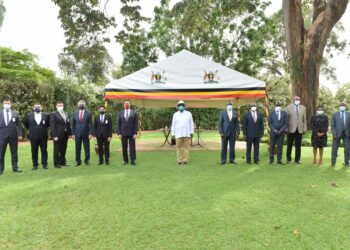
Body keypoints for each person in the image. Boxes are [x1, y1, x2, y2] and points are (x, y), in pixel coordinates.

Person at [24, 103, 50, 170]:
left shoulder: (46, 115)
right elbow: (26, 124)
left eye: (39, 107)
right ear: (33, 108)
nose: (37, 108)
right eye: (36, 107)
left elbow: (48, 124)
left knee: (44, 150)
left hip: (43, 136)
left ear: (41, 108)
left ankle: (45, 164)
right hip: (33, 136)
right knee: (34, 151)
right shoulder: (29, 115)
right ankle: (35, 165)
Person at [0, 98, 23, 174]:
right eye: (5, 103)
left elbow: (19, 125)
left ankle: (15, 167)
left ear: (10, 104)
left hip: (13, 136)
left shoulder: (15, 113)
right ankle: (1, 169)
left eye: (8, 103)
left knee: (14, 152)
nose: (7, 105)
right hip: (2, 136)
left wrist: (20, 134)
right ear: (3, 104)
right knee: (1, 153)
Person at [171, 100, 194, 164]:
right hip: (178, 134)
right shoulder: (175, 114)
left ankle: (185, 160)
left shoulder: (189, 114)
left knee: (186, 148)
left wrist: (191, 132)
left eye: (182, 105)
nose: (181, 106)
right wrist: (173, 134)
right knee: (178, 148)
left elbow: (191, 124)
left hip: (187, 134)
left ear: (184, 106)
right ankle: (179, 160)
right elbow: (173, 125)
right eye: (179, 105)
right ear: (178, 107)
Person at [285, 96, 307, 164]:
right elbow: (286, 119)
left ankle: (297, 159)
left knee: (298, 145)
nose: (297, 100)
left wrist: (305, 128)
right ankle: (288, 159)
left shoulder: (303, 108)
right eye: (296, 99)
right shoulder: (288, 108)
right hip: (290, 129)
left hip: (299, 129)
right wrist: (286, 129)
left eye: (298, 99)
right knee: (289, 145)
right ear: (293, 100)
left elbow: (304, 119)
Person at [50, 101, 72, 168]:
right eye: (59, 105)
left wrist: (70, 133)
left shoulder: (65, 113)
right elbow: (52, 125)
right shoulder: (53, 114)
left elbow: (67, 123)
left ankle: (63, 162)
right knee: (57, 149)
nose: (60, 106)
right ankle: (56, 163)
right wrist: (54, 135)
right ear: (56, 106)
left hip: (65, 134)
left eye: (61, 105)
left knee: (63, 148)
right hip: (57, 134)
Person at [72, 100, 93, 166]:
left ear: (85, 105)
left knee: (86, 148)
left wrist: (90, 133)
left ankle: (87, 161)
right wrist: (73, 134)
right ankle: (78, 161)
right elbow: (73, 124)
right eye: (80, 104)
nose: (81, 105)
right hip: (77, 134)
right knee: (77, 148)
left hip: (86, 134)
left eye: (82, 104)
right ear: (78, 105)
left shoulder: (88, 113)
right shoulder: (75, 113)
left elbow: (90, 124)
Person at [117, 101, 138, 165]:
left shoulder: (134, 113)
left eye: (127, 103)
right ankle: (125, 160)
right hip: (123, 133)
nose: (126, 105)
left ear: (130, 105)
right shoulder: (120, 113)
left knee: (132, 148)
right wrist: (119, 133)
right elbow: (118, 124)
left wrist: (135, 133)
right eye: (125, 104)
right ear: (123, 105)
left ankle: (133, 160)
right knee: (124, 147)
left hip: (132, 133)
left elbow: (135, 124)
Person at [331, 102, 350, 167]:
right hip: (336, 134)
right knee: (334, 148)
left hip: (347, 134)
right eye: (341, 105)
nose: (342, 106)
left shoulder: (349, 114)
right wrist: (334, 134)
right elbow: (332, 125)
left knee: (347, 148)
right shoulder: (334, 114)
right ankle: (333, 162)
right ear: (339, 106)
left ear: (345, 107)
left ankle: (347, 162)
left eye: (344, 105)